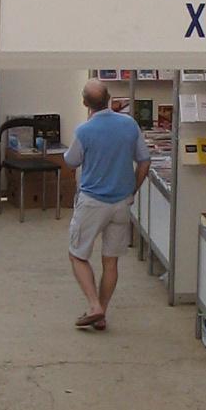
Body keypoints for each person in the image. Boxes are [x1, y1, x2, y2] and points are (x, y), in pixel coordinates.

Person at [63, 78, 150, 331]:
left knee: (77, 254)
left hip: (92, 202)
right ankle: (102, 313)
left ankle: (94, 306)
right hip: (122, 202)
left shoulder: (84, 130)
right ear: (109, 98)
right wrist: (132, 190)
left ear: (85, 103)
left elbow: (71, 161)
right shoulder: (129, 124)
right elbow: (144, 161)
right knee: (111, 262)